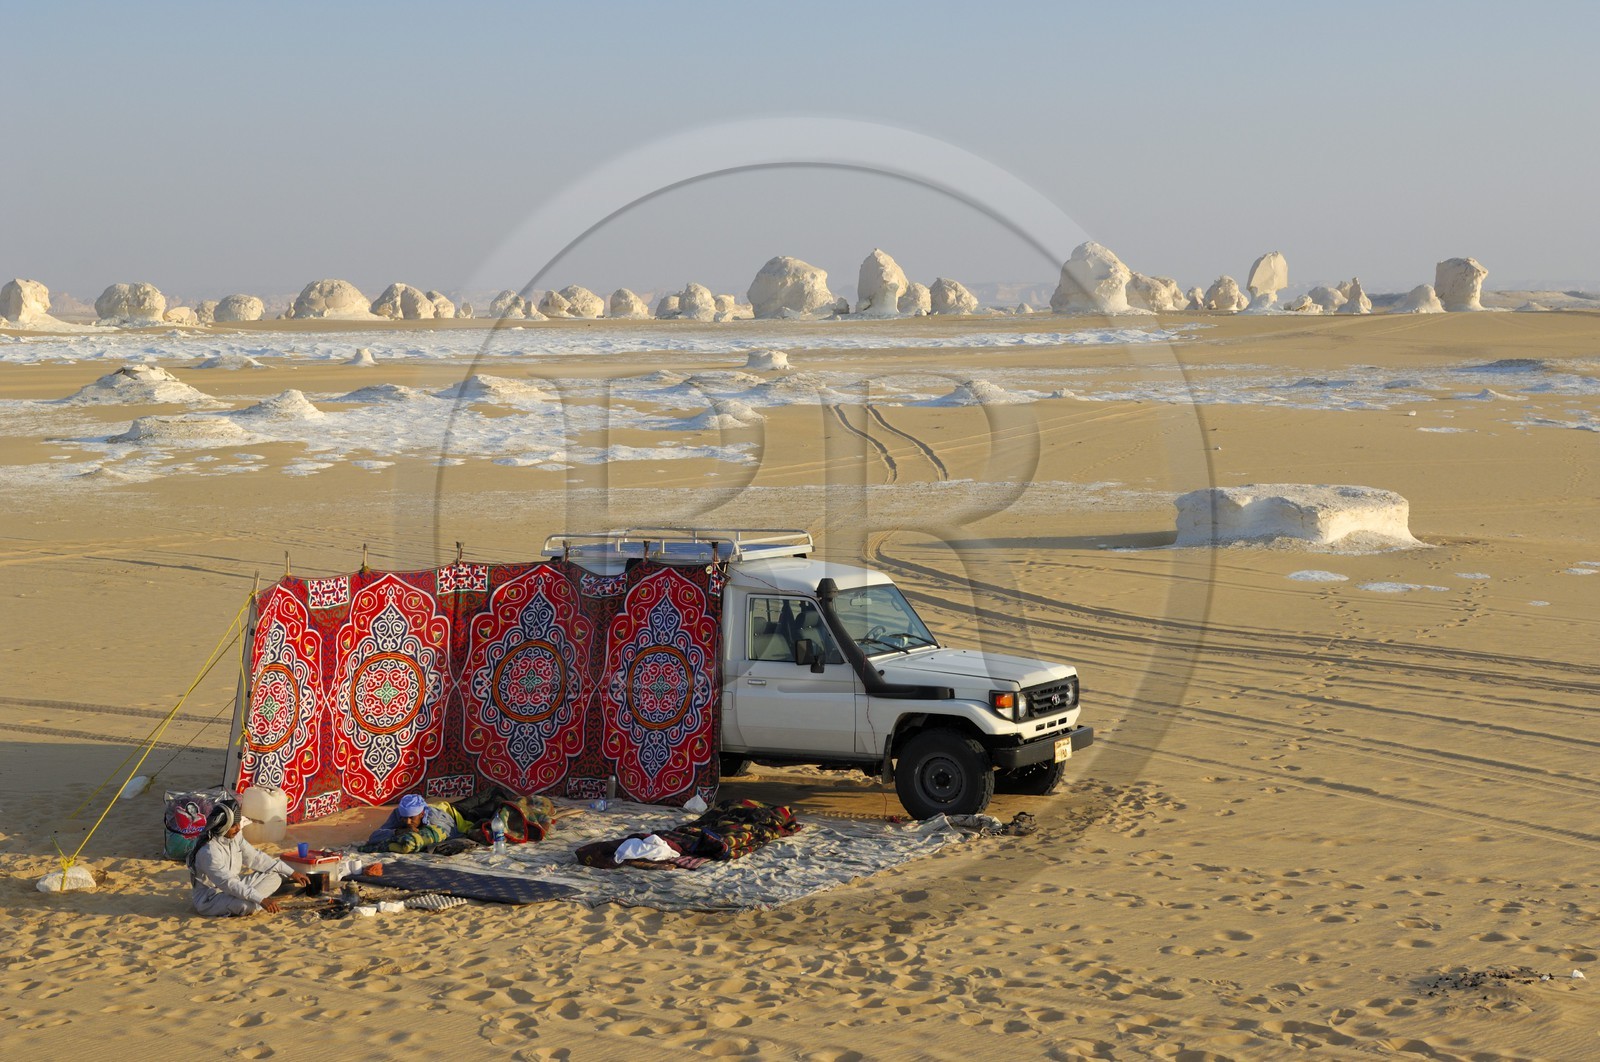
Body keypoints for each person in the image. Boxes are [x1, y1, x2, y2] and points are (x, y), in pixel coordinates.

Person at [188, 798, 309, 916]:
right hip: (212, 898)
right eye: (233, 825)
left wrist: (292, 873)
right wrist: (261, 900)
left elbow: (256, 858)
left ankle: (254, 901)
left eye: (238, 823)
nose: (238, 828)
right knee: (245, 906)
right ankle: (255, 903)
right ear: (222, 826)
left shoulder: (235, 838)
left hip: (235, 886)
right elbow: (227, 882)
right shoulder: (208, 852)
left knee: (275, 876)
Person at [362, 793, 466, 853]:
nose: (407, 822)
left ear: (421, 814)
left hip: (456, 813)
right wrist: (398, 832)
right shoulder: (398, 814)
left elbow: (453, 836)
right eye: (404, 818)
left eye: (411, 818)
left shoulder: (435, 819)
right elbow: (374, 837)